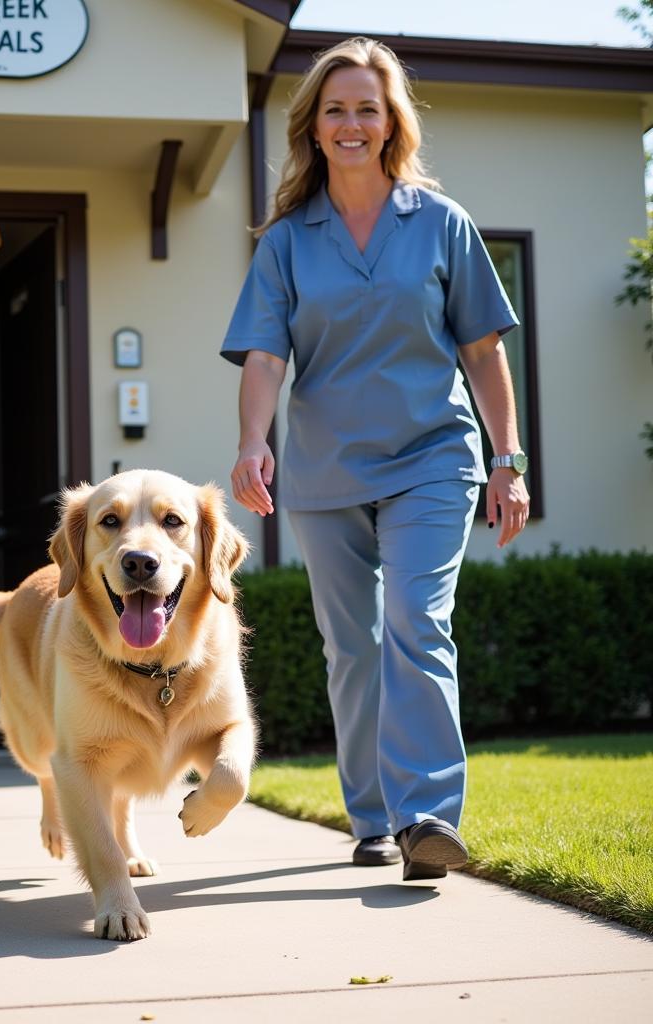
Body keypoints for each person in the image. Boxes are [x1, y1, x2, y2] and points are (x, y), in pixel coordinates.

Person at [221, 37, 530, 880]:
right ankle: (369, 814)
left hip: (434, 455)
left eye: (368, 107)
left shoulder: (440, 223)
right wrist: (256, 441)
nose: (353, 123)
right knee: (351, 644)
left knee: (417, 623)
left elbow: (484, 350)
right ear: (314, 129)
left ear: (392, 122)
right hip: (324, 471)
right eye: (336, 109)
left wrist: (509, 459)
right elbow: (264, 355)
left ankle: (426, 814)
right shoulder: (289, 240)